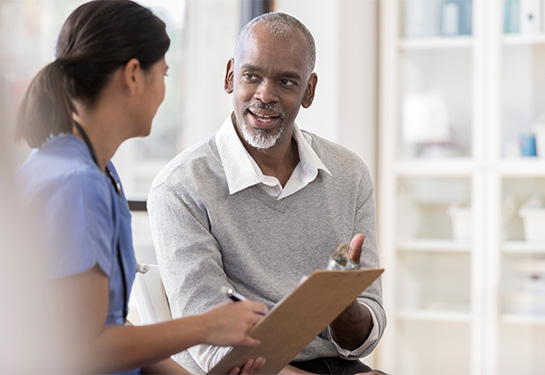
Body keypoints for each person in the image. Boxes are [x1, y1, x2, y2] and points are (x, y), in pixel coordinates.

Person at [14, 1, 268, 374]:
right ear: (133, 75)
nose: (165, 90)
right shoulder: (75, 186)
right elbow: (86, 349)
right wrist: (207, 326)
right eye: (163, 74)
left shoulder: (95, 170)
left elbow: (109, 330)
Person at [148, 11, 386, 375]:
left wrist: (343, 309)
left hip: (335, 365)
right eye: (251, 76)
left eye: (287, 82)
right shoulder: (181, 187)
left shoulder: (348, 173)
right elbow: (215, 347)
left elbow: (365, 333)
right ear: (231, 76)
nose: (265, 95)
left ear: (309, 90)